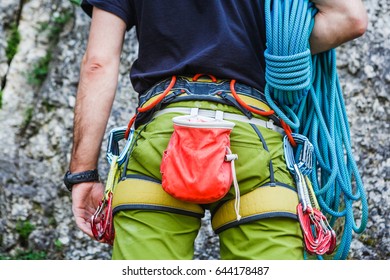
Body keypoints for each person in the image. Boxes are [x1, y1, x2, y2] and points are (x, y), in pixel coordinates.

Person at [65, 0, 367, 260]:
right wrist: (276, 42)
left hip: (163, 137)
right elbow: (349, 18)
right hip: (253, 136)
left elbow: (98, 64)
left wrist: (82, 173)